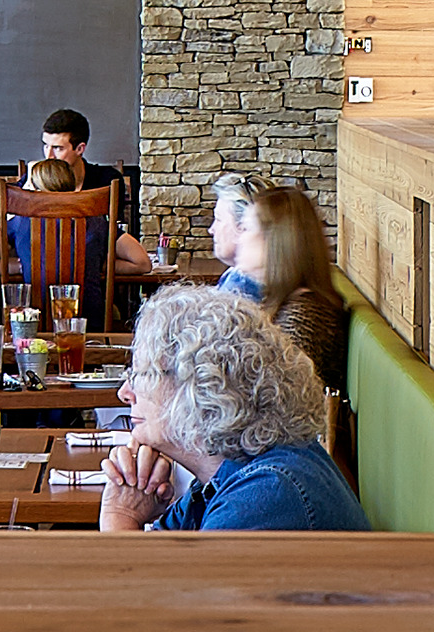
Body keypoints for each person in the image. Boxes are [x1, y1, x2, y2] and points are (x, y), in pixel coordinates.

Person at [96, 286, 371, 533]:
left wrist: (119, 517)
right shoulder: (229, 474)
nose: (125, 393)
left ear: (200, 384)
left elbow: (146, 588)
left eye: (142, 374)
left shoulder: (266, 494)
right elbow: (163, 571)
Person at [249, 184, 349, 391]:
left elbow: (277, 396)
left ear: (276, 243)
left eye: (247, 229)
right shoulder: (290, 303)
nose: (241, 238)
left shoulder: (305, 315)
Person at [37, 109, 158, 271]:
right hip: (42, 267)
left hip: (95, 269)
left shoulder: (107, 180)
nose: (49, 156)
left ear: (80, 149)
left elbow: (111, 230)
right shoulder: (34, 181)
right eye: (46, 146)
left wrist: (86, 265)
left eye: (58, 148)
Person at [210, 172, 267, 301]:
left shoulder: (242, 287)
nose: (211, 229)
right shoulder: (237, 275)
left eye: (218, 219)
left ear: (244, 227)